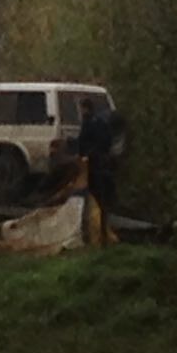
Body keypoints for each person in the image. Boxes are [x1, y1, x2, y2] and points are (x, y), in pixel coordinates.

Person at [77, 100, 115, 246]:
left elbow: (83, 142)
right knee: (103, 201)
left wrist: (85, 155)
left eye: (82, 109)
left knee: (95, 198)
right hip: (103, 164)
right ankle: (103, 234)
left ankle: (98, 235)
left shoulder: (89, 123)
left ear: (85, 109)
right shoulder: (101, 122)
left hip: (94, 165)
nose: (81, 112)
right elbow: (107, 141)